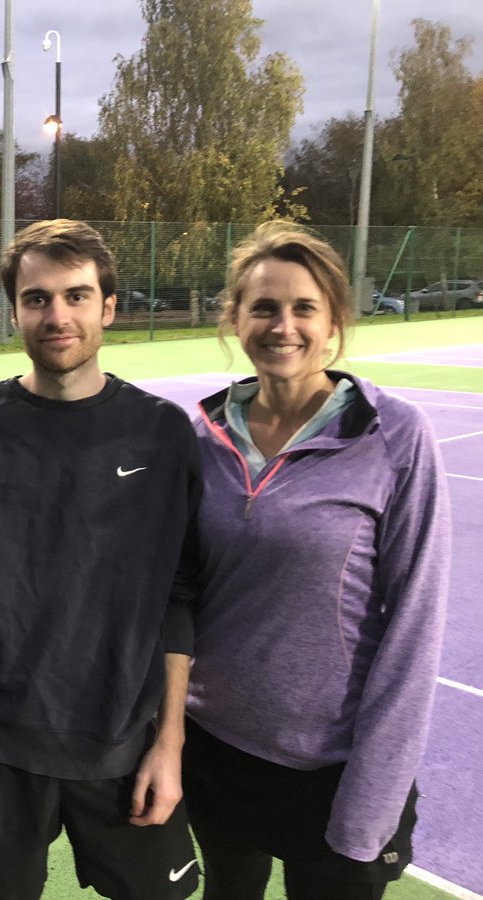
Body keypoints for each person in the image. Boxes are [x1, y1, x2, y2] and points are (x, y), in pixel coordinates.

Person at [0, 219, 201, 900]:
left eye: (76, 296)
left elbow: (179, 594)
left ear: (107, 306)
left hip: (123, 737)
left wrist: (171, 744)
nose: (57, 315)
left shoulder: (162, 433)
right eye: (37, 298)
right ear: (13, 310)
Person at [182, 222, 450, 899]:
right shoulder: (200, 437)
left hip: (332, 770)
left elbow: (415, 628)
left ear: (334, 322)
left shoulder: (395, 437)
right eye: (264, 307)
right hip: (214, 751)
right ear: (235, 318)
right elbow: (180, 596)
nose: (284, 325)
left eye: (305, 308)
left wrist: (371, 800)